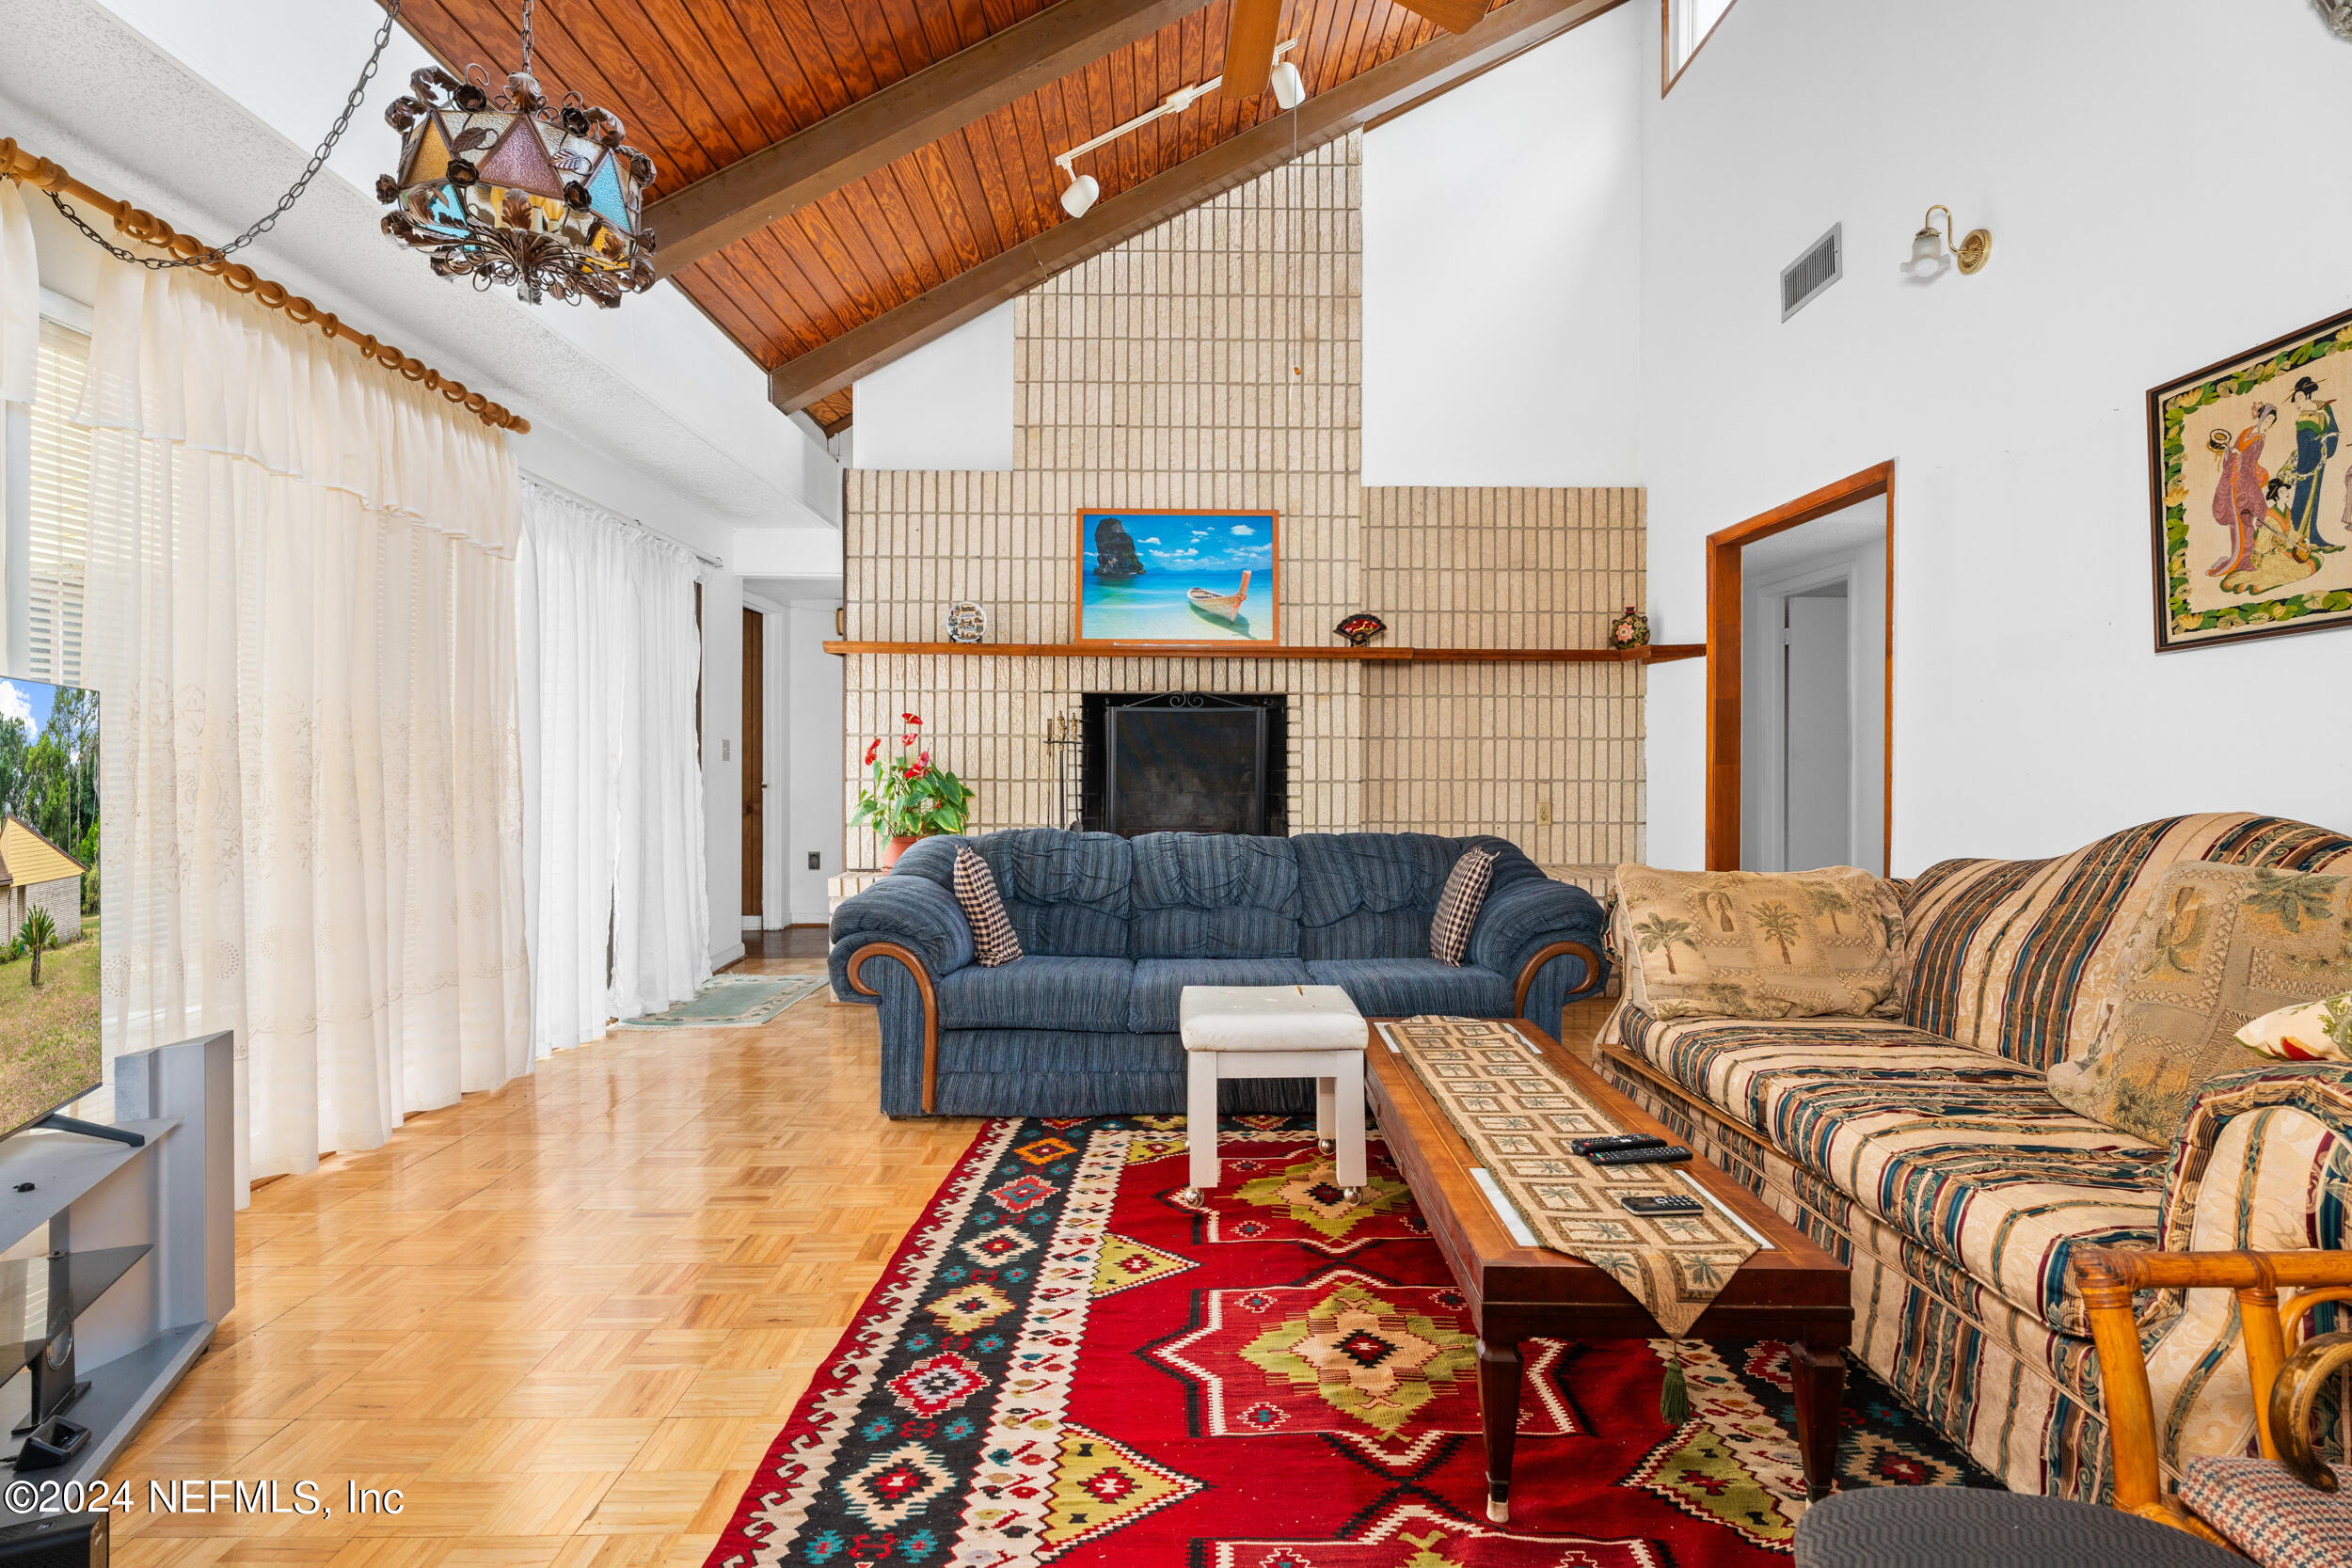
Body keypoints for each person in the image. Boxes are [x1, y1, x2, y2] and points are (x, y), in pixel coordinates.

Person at [2209, 404, 2279, 578]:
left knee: (2249, 519)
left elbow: (2248, 461)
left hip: (2246, 481)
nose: (2268, 424)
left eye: (2271, 422)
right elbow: (2236, 452)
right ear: (2261, 417)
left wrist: (2237, 454)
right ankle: (2240, 559)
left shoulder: (2259, 439)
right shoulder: (2247, 431)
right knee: (2237, 521)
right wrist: (2231, 452)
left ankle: (2246, 559)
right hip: (2235, 481)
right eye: (2267, 419)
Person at [2282, 376, 2343, 554]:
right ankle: (2297, 537)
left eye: (2300, 397)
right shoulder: (2301, 417)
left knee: (2313, 498)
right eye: (2296, 400)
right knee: (2301, 498)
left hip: (2319, 458)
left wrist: (2323, 442)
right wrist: (2315, 442)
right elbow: (2303, 440)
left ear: (2308, 394)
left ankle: (2312, 536)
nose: (2298, 403)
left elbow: (2333, 430)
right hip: (2305, 460)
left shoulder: (2324, 407)